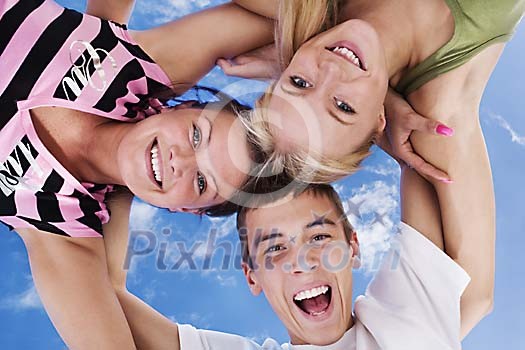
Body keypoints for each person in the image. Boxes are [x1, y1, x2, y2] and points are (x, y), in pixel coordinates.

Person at [0, 0, 274, 348]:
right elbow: (325, 16)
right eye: (195, 135)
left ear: (186, 209)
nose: (181, 161)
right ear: (185, 106)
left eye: (202, 182)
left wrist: (113, 278)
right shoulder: (130, 65)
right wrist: (288, 60)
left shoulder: (59, 224)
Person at [103, 159, 494, 349]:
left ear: (352, 246)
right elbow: (99, 295)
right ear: (251, 276)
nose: (303, 261)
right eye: (275, 248)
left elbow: (423, 159)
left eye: (320, 237)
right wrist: (119, 167)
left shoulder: (402, 320)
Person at [221, 0, 524, 184]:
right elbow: (476, 288)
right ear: (380, 120)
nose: (331, 70)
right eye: (343, 107)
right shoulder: (441, 91)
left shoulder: (304, 8)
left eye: (299, 83)